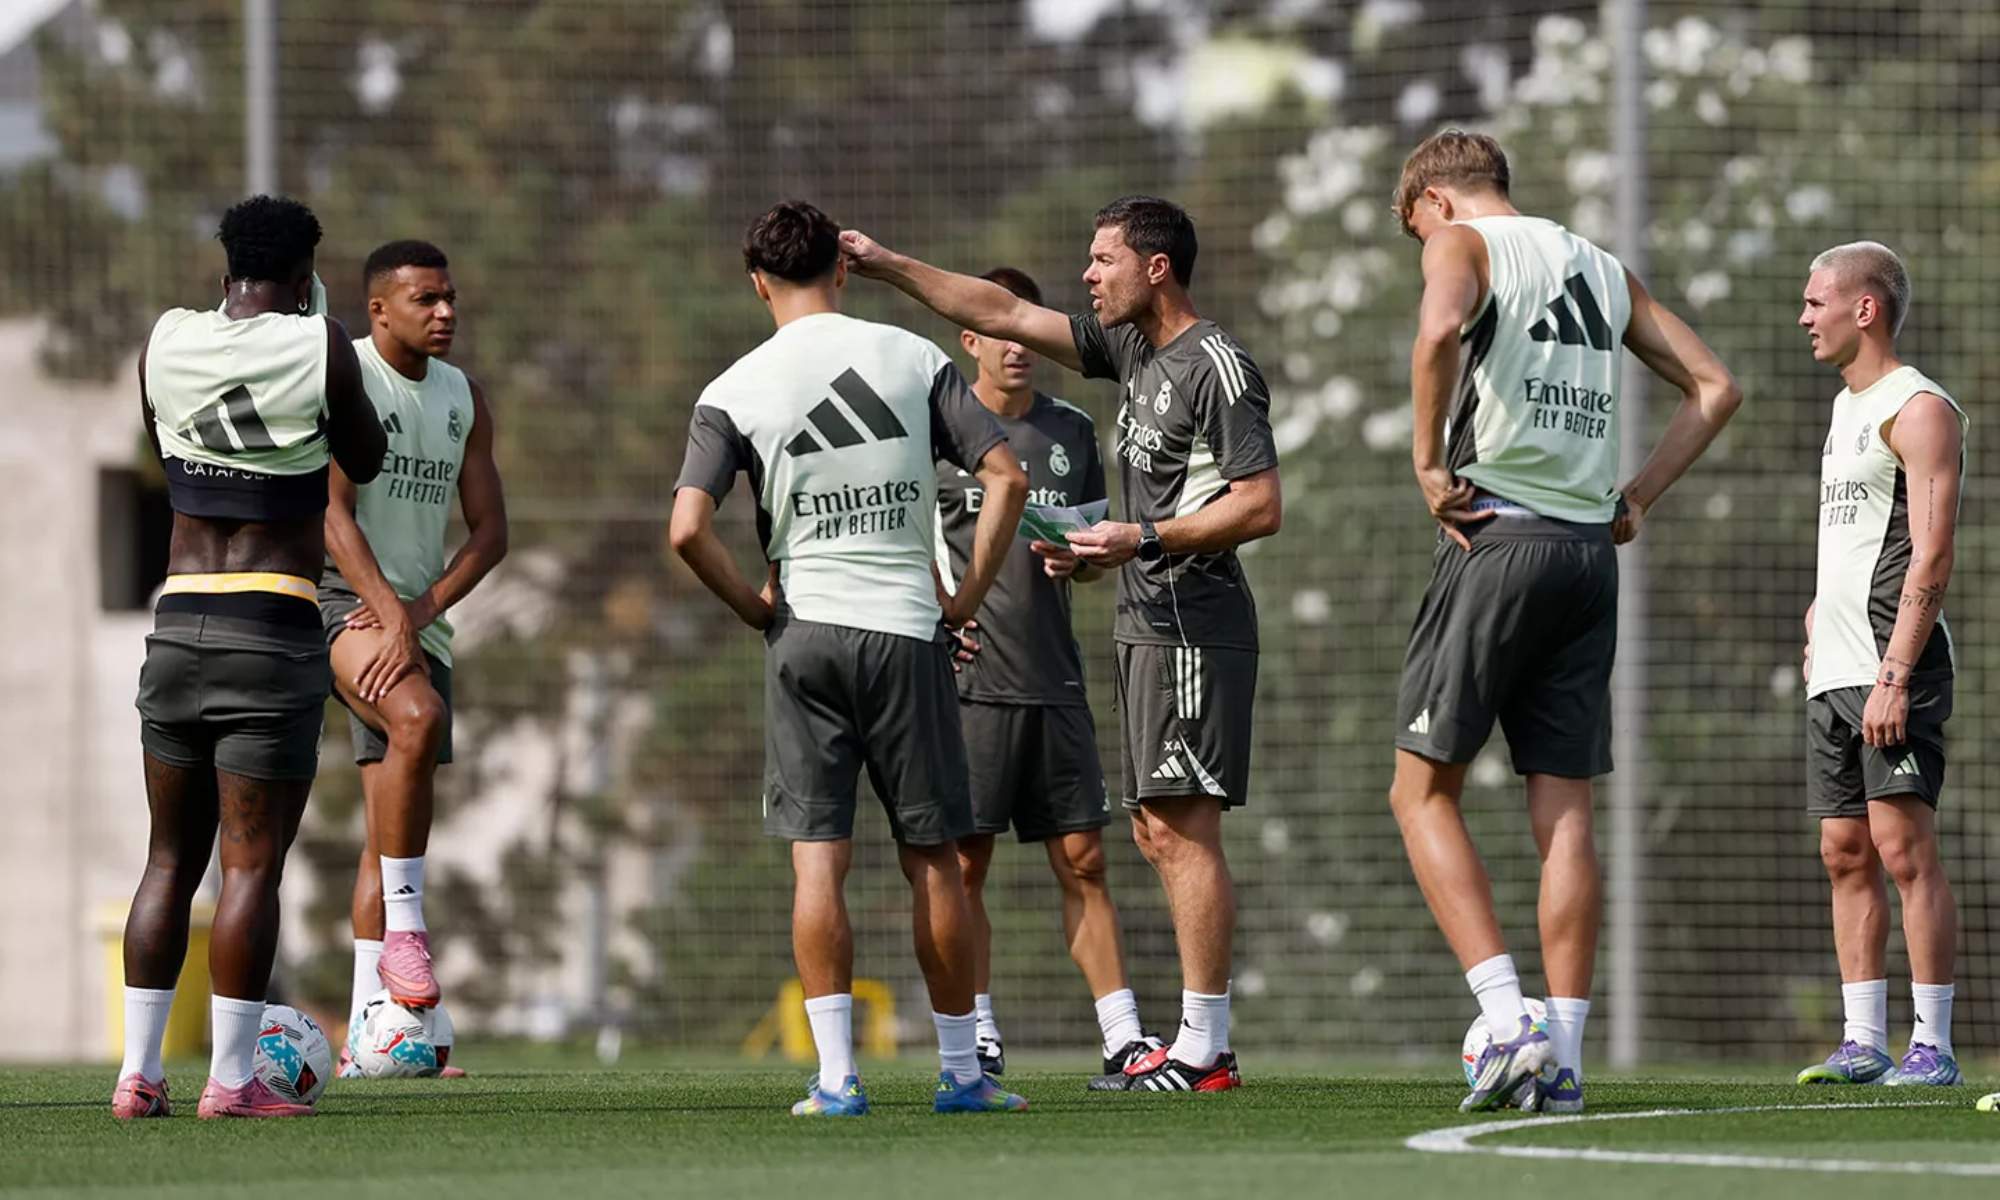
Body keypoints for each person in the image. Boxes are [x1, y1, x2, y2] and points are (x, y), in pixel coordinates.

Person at [844, 194, 1282, 1094]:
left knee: (1182, 828)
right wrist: (886, 263)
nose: (1088, 275)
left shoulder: (1218, 365)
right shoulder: (1132, 353)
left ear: (1155, 268)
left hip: (1194, 623)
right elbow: (998, 310)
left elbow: (1261, 504)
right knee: (1158, 830)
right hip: (1144, 623)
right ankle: (1189, 1041)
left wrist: (1141, 538)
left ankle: (1205, 1046)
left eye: (1103, 260)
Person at [1387, 129, 1740, 1113]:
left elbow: (1436, 336)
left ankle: (1506, 1025)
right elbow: (1715, 387)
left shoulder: (1460, 243)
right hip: (1587, 555)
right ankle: (1565, 1056)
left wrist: (1424, 464)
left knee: (1419, 795)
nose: (1419, 244)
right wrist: (1635, 498)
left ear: (1436, 201)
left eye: (1413, 227)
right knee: (1565, 811)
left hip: (1494, 537)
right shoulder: (1596, 264)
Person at [669, 200, 1029, 1116]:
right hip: (906, 632)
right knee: (935, 861)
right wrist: (965, 599)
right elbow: (1006, 476)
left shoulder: (732, 388)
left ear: (758, 282)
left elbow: (685, 529)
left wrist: (755, 604)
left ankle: (835, 1079)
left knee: (817, 865)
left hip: (805, 634)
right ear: (842, 267)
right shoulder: (909, 356)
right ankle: (960, 1076)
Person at [114, 195, 384, 1118]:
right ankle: (231, 1082)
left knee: (164, 864)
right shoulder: (323, 343)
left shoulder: (167, 340)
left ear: (223, 268)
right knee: (250, 867)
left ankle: (137, 1076)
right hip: (269, 630)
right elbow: (369, 455)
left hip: (177, 622)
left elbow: (159, 443)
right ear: (305, 278)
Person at [933, 266, 1160, 1081]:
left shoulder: (1070, 430)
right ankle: (978, 1030)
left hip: (1054, 679)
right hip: (966, 686)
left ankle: (1124, 1036)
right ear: (971, 340)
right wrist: (939, 615)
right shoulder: (936, 428)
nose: (1016, 346)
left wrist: (1083, 563)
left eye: (1025, 332)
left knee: (1086, 860)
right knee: (965, 862)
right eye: (998, 332)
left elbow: (1092, 554)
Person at [321, 240, 506, 1074]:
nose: (446, 313)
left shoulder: (465, 397)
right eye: (426, 299)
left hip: (413, 622)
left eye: (451, 297)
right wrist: (389, 612)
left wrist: (421, 610)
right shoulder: (348, 377)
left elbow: (491, 533)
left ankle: (374, 1035)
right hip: (343, 603)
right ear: (379, 309)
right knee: (418, 715)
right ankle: (407, 939)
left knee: (386, 830)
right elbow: (331, 512)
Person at [1793, 242, 1965, 1089]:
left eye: (1816, 301)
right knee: (1842, 850)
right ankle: (1863, 1040)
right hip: (1836, 666)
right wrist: (1817, 618)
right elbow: (1856, 535)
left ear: (1865, 309)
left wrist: (1896, 671)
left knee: (1903, 848)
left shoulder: (1920, 406)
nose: (1804, 317)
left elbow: (1931, 555)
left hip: (1896, 667)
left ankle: (1931, 1046)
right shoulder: (1843, 408)